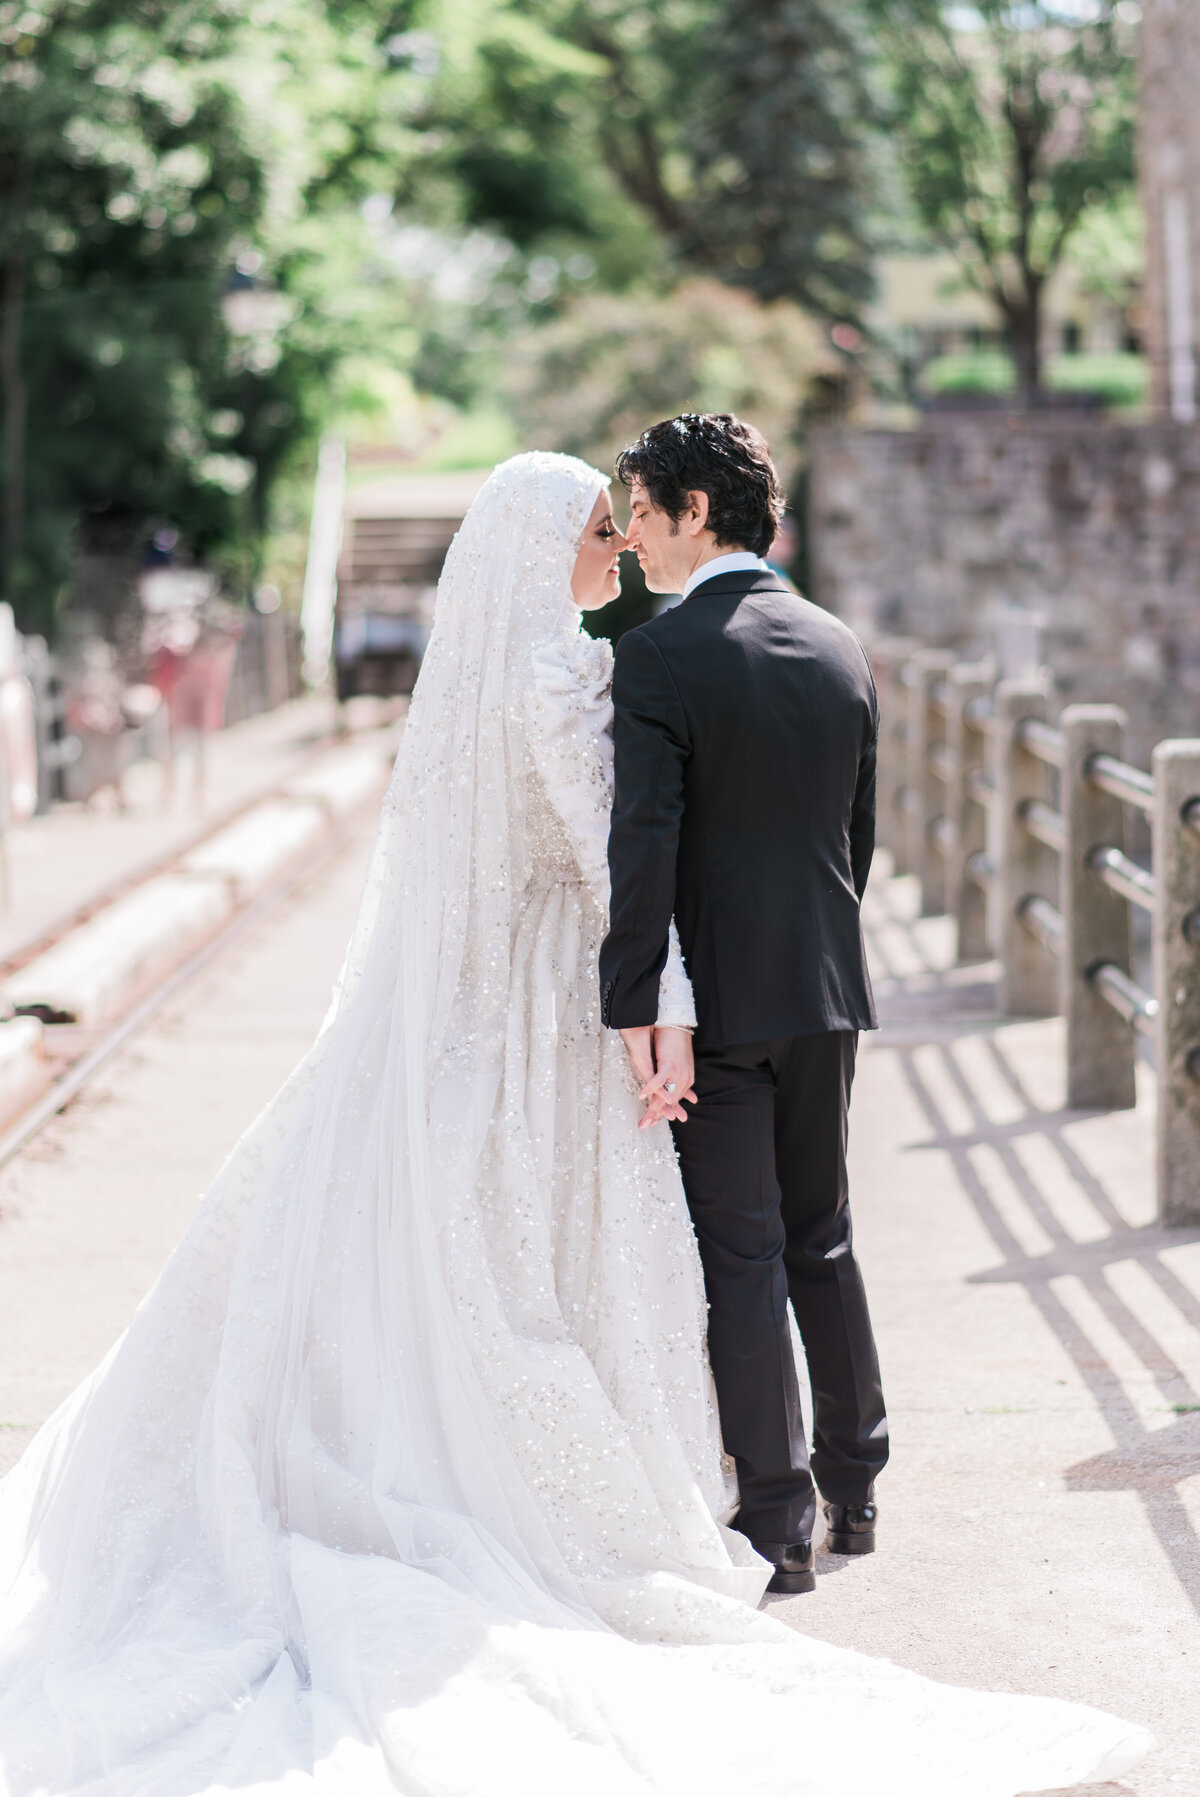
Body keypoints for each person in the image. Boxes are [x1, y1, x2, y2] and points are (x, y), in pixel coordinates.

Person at [0, 452, 1148, 1795]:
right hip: (583, 1005)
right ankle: (804, 1487)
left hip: (499, 1007)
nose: (615, 545)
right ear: (551, 543)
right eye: (599, 529)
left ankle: (780, 1492)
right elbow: (620, 857)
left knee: (592, 1244)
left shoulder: (527, 670)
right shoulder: (586, 672)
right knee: (699, 1245)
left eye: (623, 523)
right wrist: (657, 1010)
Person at [601, 414, 885, 1596]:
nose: (632, 544)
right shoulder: (838, 645)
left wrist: (631, 1008)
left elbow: (645, 853)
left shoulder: (662, 656)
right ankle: (857, 1485)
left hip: (714, 1004)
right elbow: (854, 842)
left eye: (643, 517)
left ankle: (777, 1520)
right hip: (823, 990)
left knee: (744, 1258)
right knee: (823, 1236)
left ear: (694, 512)